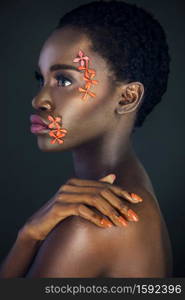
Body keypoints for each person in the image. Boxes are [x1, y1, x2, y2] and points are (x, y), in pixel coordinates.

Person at [0, 0, 173, 278]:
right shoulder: (133, 188)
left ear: (127, 97)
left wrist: (27, 238)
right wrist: (28, 237)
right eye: (41, 78)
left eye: (64, 80)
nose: (39, 100)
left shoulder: (93, 222)